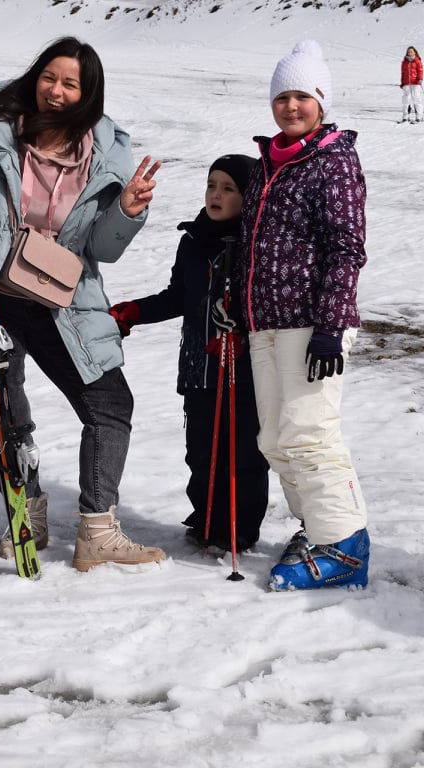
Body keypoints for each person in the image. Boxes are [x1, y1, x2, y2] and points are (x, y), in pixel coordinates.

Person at [0, 35, 166, 572]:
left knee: (109, 406)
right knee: (4, 413)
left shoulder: (103, 157)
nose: (55, 91)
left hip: (63, 302)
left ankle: (98, 531)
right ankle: (26, 513)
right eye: (49, 78)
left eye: (70, 84)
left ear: (88, 93)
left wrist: (126, 211)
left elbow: (102, 248)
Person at [239, 39, 370, 590]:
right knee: (275, 440)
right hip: (265, 323)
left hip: (313, 325)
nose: (290, 106)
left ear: (322, 102)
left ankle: (345, 546)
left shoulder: (333, 162)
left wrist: (331, 327)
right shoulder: (267, 164)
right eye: (281, 96)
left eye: (302, 96)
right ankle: (317, 527)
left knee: (311, 436)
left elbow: (346, 248)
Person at [109, 155, 269, 554]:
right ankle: (207, 518)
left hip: (245, 372)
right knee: (201, 451)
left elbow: (269, 305)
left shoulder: (260, 243)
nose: (216, 195)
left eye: (228, 189)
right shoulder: (193, 240)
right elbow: (178, 296)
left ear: (249, 196)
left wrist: (241, 329)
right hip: (200, 368)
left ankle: (239, 528)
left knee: (243, 454)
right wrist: (134, 312)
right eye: (211, 185)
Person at [399, 45, 423, 123]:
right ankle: (405, 117)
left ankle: (419, 116)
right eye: (409, 51)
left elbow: (420, 70)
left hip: (415, 83)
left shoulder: (417, 61)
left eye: (411, 51)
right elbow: (403, 73)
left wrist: (420, 79)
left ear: (414, 52)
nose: (410, 53)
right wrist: (402, 82)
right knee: (406, 100)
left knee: (417, 99)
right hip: (406, 83)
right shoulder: (404, 62)